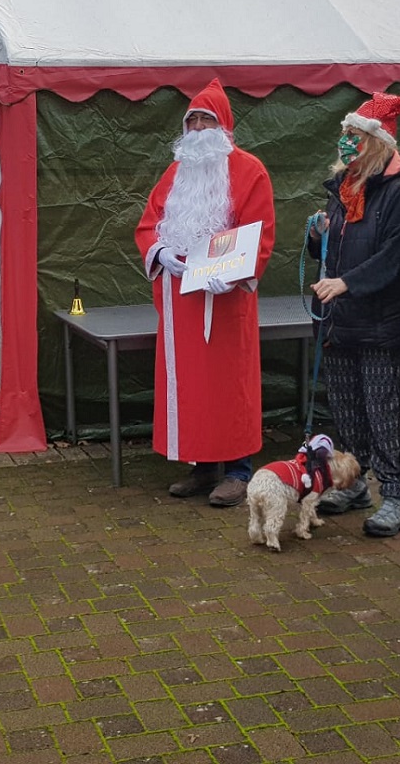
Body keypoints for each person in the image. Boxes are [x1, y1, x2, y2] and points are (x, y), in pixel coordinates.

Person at [134, 78, 275, 508]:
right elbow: (148, 223)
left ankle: (238, 470)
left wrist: (231, 275)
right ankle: (203, 465)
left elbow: (259, 234)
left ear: (223, 126)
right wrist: (161, 252)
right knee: (192, 388)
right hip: (182, 304)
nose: (197, 128)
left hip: (224, 302)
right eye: (191, 120)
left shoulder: (250, 171)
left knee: (229, 386)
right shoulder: (175, 173)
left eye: (205, 120)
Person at [305, 93, 400, 536]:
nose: (345, 141)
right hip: (340, 320)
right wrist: (318, 236)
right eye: (344, 133)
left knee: (383, 412)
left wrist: (347, 282)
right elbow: (334, 250)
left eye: (354, 134)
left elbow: (397, 256)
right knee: (346, 408)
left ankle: (396, 493)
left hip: (383, 322)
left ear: (377, 142)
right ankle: (354, 484)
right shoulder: (344, 188)